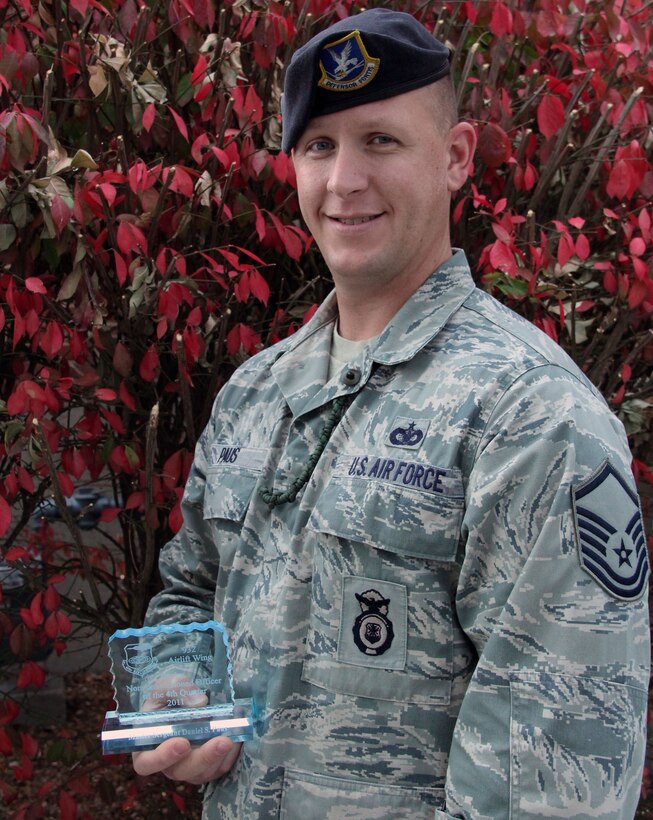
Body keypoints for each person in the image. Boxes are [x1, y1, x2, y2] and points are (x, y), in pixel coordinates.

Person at [133, 9, 650, 818]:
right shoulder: (255, 396)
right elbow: (188, 592)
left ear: (453, 157)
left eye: (380, 140)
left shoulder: (531, 417)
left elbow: (557, 782)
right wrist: (178, 704)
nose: (344, 180)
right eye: (319, 146)